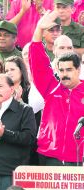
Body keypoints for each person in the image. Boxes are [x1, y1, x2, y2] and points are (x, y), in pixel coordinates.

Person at [29, 10, 84, 165]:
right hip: (50, 156)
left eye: (69, 70)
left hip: (79, 157)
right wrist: (39, 30)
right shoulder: (51, 87)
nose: (64, 74)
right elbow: (38, 62)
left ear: (78, 70)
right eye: (61, 70)